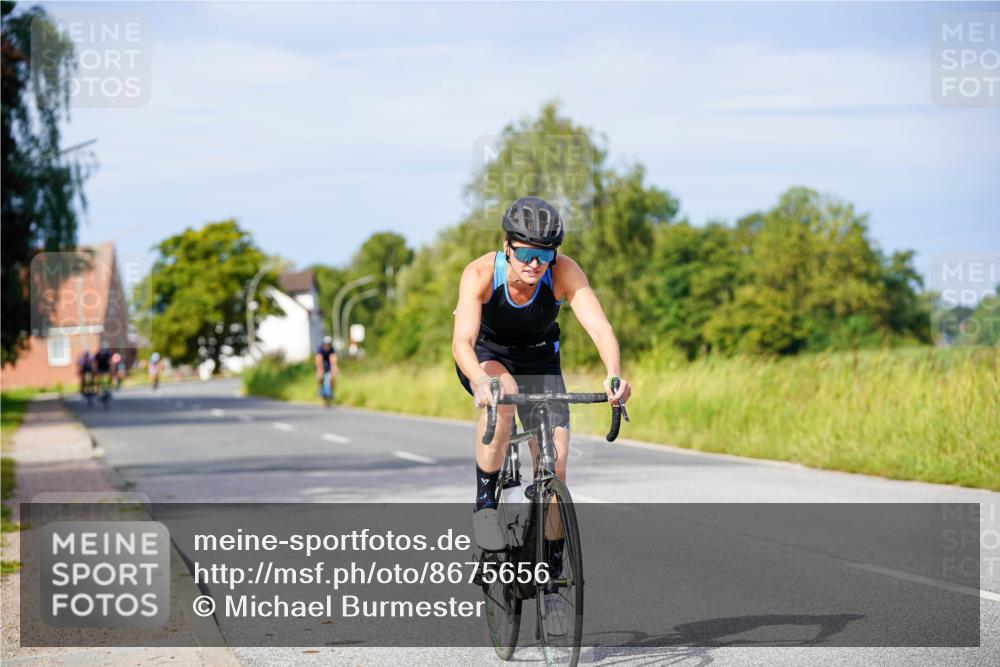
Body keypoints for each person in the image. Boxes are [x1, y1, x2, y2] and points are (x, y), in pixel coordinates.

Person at [451, 196, 632, 634]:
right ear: (507, 246)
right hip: (488, 357)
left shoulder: (563, 272)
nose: (536, 263)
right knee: (506, 399)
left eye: (545, 254)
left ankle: (550, 584)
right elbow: (462, 341)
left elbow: (599, 327)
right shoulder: (480, 273)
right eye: (527, 253)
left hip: (540, 360)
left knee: (557, 464)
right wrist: (479, 379)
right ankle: (484, 507)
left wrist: (614, 376)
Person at [315, 336, 338, 401]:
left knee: (333, 376)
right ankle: (321, 388)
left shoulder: (332, 350)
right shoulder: (320, 349)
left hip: (329, 364)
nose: (327, 346)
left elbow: (333, 359)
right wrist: (320, 368)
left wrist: (334, 368)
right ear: (324, 344)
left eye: (329, 344)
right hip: (322, 363)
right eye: (326, 344)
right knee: (319, 375)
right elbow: (318, 359)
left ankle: (332, 390)